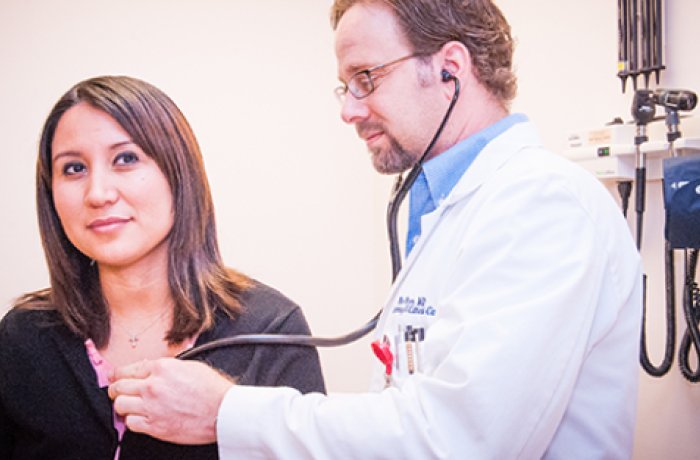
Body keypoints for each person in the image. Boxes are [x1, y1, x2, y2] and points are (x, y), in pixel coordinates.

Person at [108, 1, 643, 458]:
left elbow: (461, 442)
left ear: (450, 68)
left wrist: (228, 412)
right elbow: (408, 415)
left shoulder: (545, 204)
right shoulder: (444, 207)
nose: (348, 109)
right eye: (344, 85)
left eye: (366, 78)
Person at [0, 75, 326, 460]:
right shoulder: (23, 337)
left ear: (178, 172)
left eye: (126, 159)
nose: (98, 194)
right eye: (73, 169)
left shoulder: (271, 330)